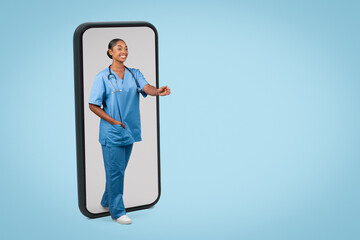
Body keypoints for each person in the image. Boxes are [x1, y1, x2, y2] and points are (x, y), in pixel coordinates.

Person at [88, 38, 170, 225]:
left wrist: (158, 91)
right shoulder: (102, 77)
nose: (123, 51)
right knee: (116, 172)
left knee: (118, 170)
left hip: (130, 130)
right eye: (119, 48)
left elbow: (146, 87)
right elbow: (93, 105)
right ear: (110, 52)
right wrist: (113, 121)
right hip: (112, 132)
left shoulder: (134, 73)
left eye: (126, 48)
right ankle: (118, 212)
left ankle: (106, 201)